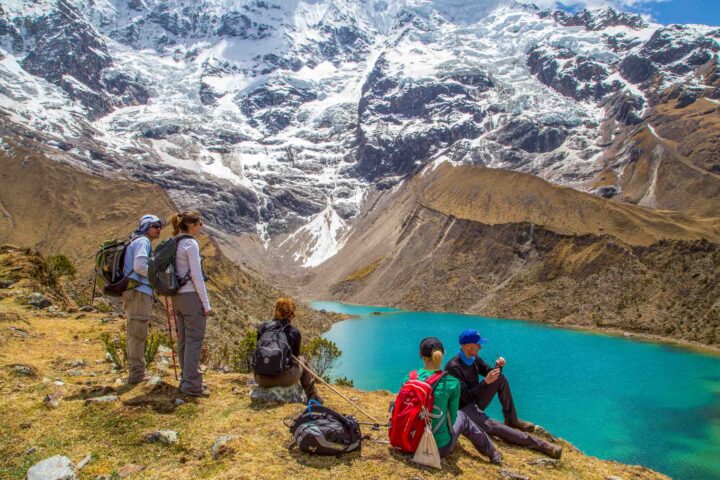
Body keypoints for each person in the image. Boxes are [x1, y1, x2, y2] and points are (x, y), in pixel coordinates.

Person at [445, 329, 562, 459]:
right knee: (493, 426)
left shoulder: (474, 358)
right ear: (467, 346)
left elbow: (491, 374)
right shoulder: (453, 367)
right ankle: (542, 445)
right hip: (463, 410)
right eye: (478, 344)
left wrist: (498, 367)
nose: (480, 346)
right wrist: (485, 383)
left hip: (474, 401)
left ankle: (511, 420)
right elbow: (463, 398)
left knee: (500, 378)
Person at [404, 337, 502, 463]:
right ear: (442, 354)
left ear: (422, 356)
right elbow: (453, 417)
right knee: (463, 416)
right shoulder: (451, 383)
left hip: (407, 441)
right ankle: (492, 453)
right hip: (436, 449)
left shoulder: (410, 377)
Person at [170, 210, 213, 397]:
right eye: (200, 224)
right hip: (190, 296)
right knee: (195, 339)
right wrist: (206, 304)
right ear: (192, 225)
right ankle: (192, 385)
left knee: (183, 340)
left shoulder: (175, 242)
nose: (201, 227)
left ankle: (186, 379)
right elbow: (197, 276)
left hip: (177, 297)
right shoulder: (190, 244)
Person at [122, 214, 164, 384]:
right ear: (146, 227)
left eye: (159, 226)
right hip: (139, 292)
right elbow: (140, 266)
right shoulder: (143, 242)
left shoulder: (136, 241)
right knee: (138, 333)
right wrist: (156, 278)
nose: (159, 229)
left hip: (134, 292)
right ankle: (137, 374)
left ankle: (136, 370)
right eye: (155, 226)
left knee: (135, 331)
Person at [253, 297, 321, 403]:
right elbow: (296, 356)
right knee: (302, 360)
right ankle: (313, 397)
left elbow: (258, 349)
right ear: (291, 313)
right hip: (283, 378)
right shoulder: (294, 332)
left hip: (260, 378)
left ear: (276, 310)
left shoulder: (263, 327)